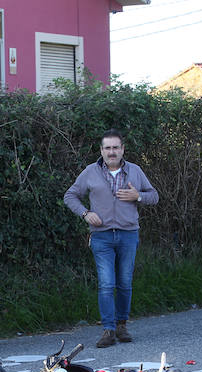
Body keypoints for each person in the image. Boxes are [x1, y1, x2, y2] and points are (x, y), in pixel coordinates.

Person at [64, 129, 159, 348]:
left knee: (125, 283)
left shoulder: (135, 171)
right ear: (101, 151)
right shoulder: (90, 172)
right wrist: (86, 213)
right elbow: (70, 195)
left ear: (123, 149)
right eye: (107, 148)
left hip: (128, 234)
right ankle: (108, 330)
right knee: (107, 284)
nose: (112, 152)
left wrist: (139, 196)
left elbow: (154, 196)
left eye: (116, 147)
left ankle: (122, 326)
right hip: (101, 236)